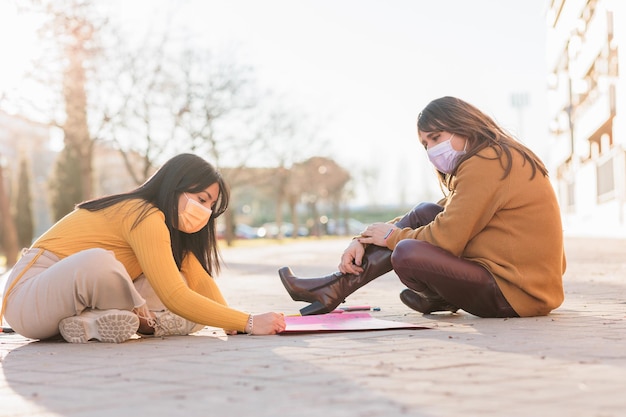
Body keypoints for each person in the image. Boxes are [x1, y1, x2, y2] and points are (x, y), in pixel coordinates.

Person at [280, 96, 566, 318]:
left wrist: (391, 238)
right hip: (524, 285)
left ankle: (335, 289)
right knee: (423, 212)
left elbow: (446, 238)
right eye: (425, 143)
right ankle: (334, 288)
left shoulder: (486, 163)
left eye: (436, 138)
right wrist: (363, 240)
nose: (431, 150)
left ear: (462, 125)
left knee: (405, 252)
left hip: (518, 294)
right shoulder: (495, 156)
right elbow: (442, 213)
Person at [1, 153, 285, 343]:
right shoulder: (142, 214)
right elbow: (174, 295)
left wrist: (231, 322)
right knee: (100, 263)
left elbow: (198, 281)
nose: (206, 211)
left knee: (175, 279)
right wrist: (249, 322)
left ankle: (91, 323)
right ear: (175, 186)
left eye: (211, 206)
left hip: (69, 307)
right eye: (201, 198)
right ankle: (152, 322)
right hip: (28, 299)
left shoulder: (169, 232)